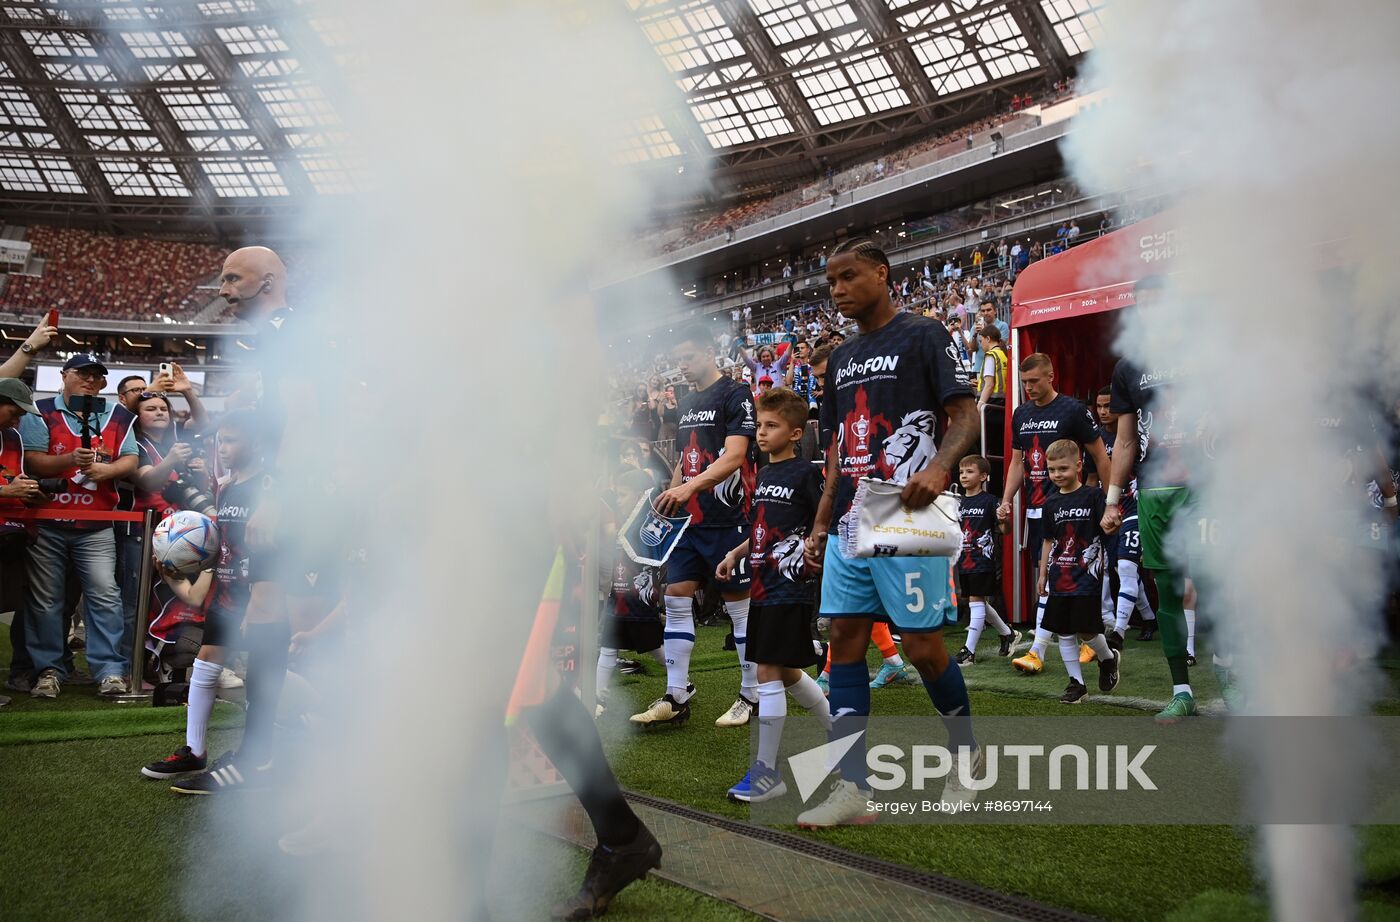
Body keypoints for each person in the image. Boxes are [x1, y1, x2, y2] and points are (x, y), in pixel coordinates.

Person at [797, 238, 981, 827]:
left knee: (923, 648)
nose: (838, 289)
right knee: (845, 641)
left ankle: (967, 761)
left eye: (849, 276)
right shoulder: (843, 357)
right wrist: (822, 522)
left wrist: (940, 465)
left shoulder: (923, 334)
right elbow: (833, 449)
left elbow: (967, 412)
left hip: (909, 514)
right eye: (831, 283)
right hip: (854, 516)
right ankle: (855, 790)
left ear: (882, 273)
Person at [631, 327, 757, 729]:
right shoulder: (685, 402)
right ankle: (677, 693)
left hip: (729, 518)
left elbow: (736, 456)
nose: (681, 366)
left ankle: (750, 695)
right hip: (690, 523)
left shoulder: (735, 394)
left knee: (739, 609)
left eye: (688, 357)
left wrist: (687, 488)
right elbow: (687, 460)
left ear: (708, 352)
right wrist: (670, 499)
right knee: (676, 598)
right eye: (677, 360)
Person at [142, 411, 271, 789]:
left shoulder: (268, 487)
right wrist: (175, 567)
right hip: (226, 594)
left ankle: (267, 754)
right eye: (220, 441)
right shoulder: (227, 486)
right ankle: (194, 752)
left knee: (269, 676)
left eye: (231, 440)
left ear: (257, 443)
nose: (223, 448)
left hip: (259, 595)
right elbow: (222, 548)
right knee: (204, 664)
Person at [717, 387, 831, 803]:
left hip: (790, 588)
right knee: (785, 671)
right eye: (759, 426)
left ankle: (767, 773)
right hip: (762, 587)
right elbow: (760, 529)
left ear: (796, 432)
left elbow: (823, 523)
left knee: (766, 670)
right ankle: (838, 733)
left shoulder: (805, 474)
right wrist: (735, 553)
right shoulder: (763, 474)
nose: (761, 434)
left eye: (772, 426)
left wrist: (817, 557)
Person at [1102, 276, 1203, 723]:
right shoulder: (1128, 367)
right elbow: (1124, 442)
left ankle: (1231, 673)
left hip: (1207, 486)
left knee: (1221, 579)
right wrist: (1112, 499)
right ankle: (1181, 690)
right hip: (1156, 493)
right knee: (1167, 589)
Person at [21, 352, 139, 699]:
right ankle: (48, 669)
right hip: (47, 520)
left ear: (103, 382)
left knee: (104, 595)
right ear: (64, 375)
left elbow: (130, 458)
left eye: (96, 376)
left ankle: (109, 671)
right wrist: (69, 460)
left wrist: (108, 470)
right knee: (45, 600)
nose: (89, 380)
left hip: (97, 522)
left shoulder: (117, 414)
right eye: (82, 373)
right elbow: (33, 459)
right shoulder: (40, 411)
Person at [996, 353, 1110, 677]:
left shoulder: (1072, 410)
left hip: (1075, 509)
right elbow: (1017, 462)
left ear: (1051, 376)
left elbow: (1099, 456)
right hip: (1038, 510)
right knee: (1048, 582)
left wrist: (1109, 500)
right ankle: (1084, 647)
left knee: (1071, 578)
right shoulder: (1020, 414)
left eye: (1034, 381)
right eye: (1024, 382)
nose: (1029, 387)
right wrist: (1007, 500)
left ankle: (1039, 650)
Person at [1036, 440, 1121, 704]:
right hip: (1058, 576)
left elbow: (1106, 529)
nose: (1057, 474)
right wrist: (1042, 574)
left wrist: (1113, 524)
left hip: (1087, 576)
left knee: (1086, 631)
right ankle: (1077, 683)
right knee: (1063, 631)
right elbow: (1048, 541)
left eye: (1063, 468)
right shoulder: (1050, 503)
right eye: (1051, 470)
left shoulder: (1093, 495)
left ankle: (1108, 658)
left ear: (1079, 466)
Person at [1087, 386, 1157, 655]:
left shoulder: (1138, 434)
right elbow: (1092, 480)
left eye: (1109, 406)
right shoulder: (1095, 439)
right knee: (1119, 569)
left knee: (1127, 567)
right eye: (1100, 406)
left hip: (1137, 505)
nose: (1104, 412)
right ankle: (1148, 618)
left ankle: (1118, 631)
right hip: (1109, 510)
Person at [595, 470, 668, 719]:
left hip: (640, 600)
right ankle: (598, 698)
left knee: (655, 647)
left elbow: (656, 559)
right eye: (616, 494)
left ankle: (682, 685)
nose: (618, 498)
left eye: (623, 494)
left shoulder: (649, 524)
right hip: (618, 599)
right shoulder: (620, 520)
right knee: (607, 647)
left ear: (639, 496)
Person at [0, 379, 49, 705]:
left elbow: (11, 480)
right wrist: (6, 491)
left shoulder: (13, 436)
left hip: (8, 533)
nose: (17, 421)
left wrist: (29, 493)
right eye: (13, 412)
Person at [954, 455, 1019, 664]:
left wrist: (1004, 519)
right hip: (964, 560)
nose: (964, 476)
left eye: (970, 472)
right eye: (962, 472)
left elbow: (1004, 530)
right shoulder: (956, 502)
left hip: (983, 559)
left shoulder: (991, 501)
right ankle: (1008, 634)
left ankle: (969, 651)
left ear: (983, 476)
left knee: (976, 599)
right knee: (977, 599)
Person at [975, 324, 1008, 411]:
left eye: (981, 341)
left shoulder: (990, 355)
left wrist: (980, 405)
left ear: (988, 339)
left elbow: (989, 384)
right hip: (1002, 401)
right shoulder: (1003, 354)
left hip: (991, 402)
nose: (980, 344)